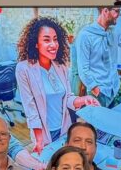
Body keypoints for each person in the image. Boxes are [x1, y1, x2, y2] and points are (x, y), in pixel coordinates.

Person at [14, 17, 98, 156]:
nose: (53, 44)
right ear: (36, 43)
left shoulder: (61, 66)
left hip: (65, 129)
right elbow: (31, 108)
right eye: (47, 40)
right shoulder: (24, 69)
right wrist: (39, 140)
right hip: (44, 133)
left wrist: (84, 100)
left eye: (55, 39)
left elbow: (68, 99)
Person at [74, 6, 121, 108]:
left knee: (112, 124)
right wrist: (96, 90)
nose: (119, 15)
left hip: (113, 90)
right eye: (116, 11)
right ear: (105, 11)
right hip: (98, 94)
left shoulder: (114, 32)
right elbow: (83, 69)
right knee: (96, 124)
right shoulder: (85, 35)